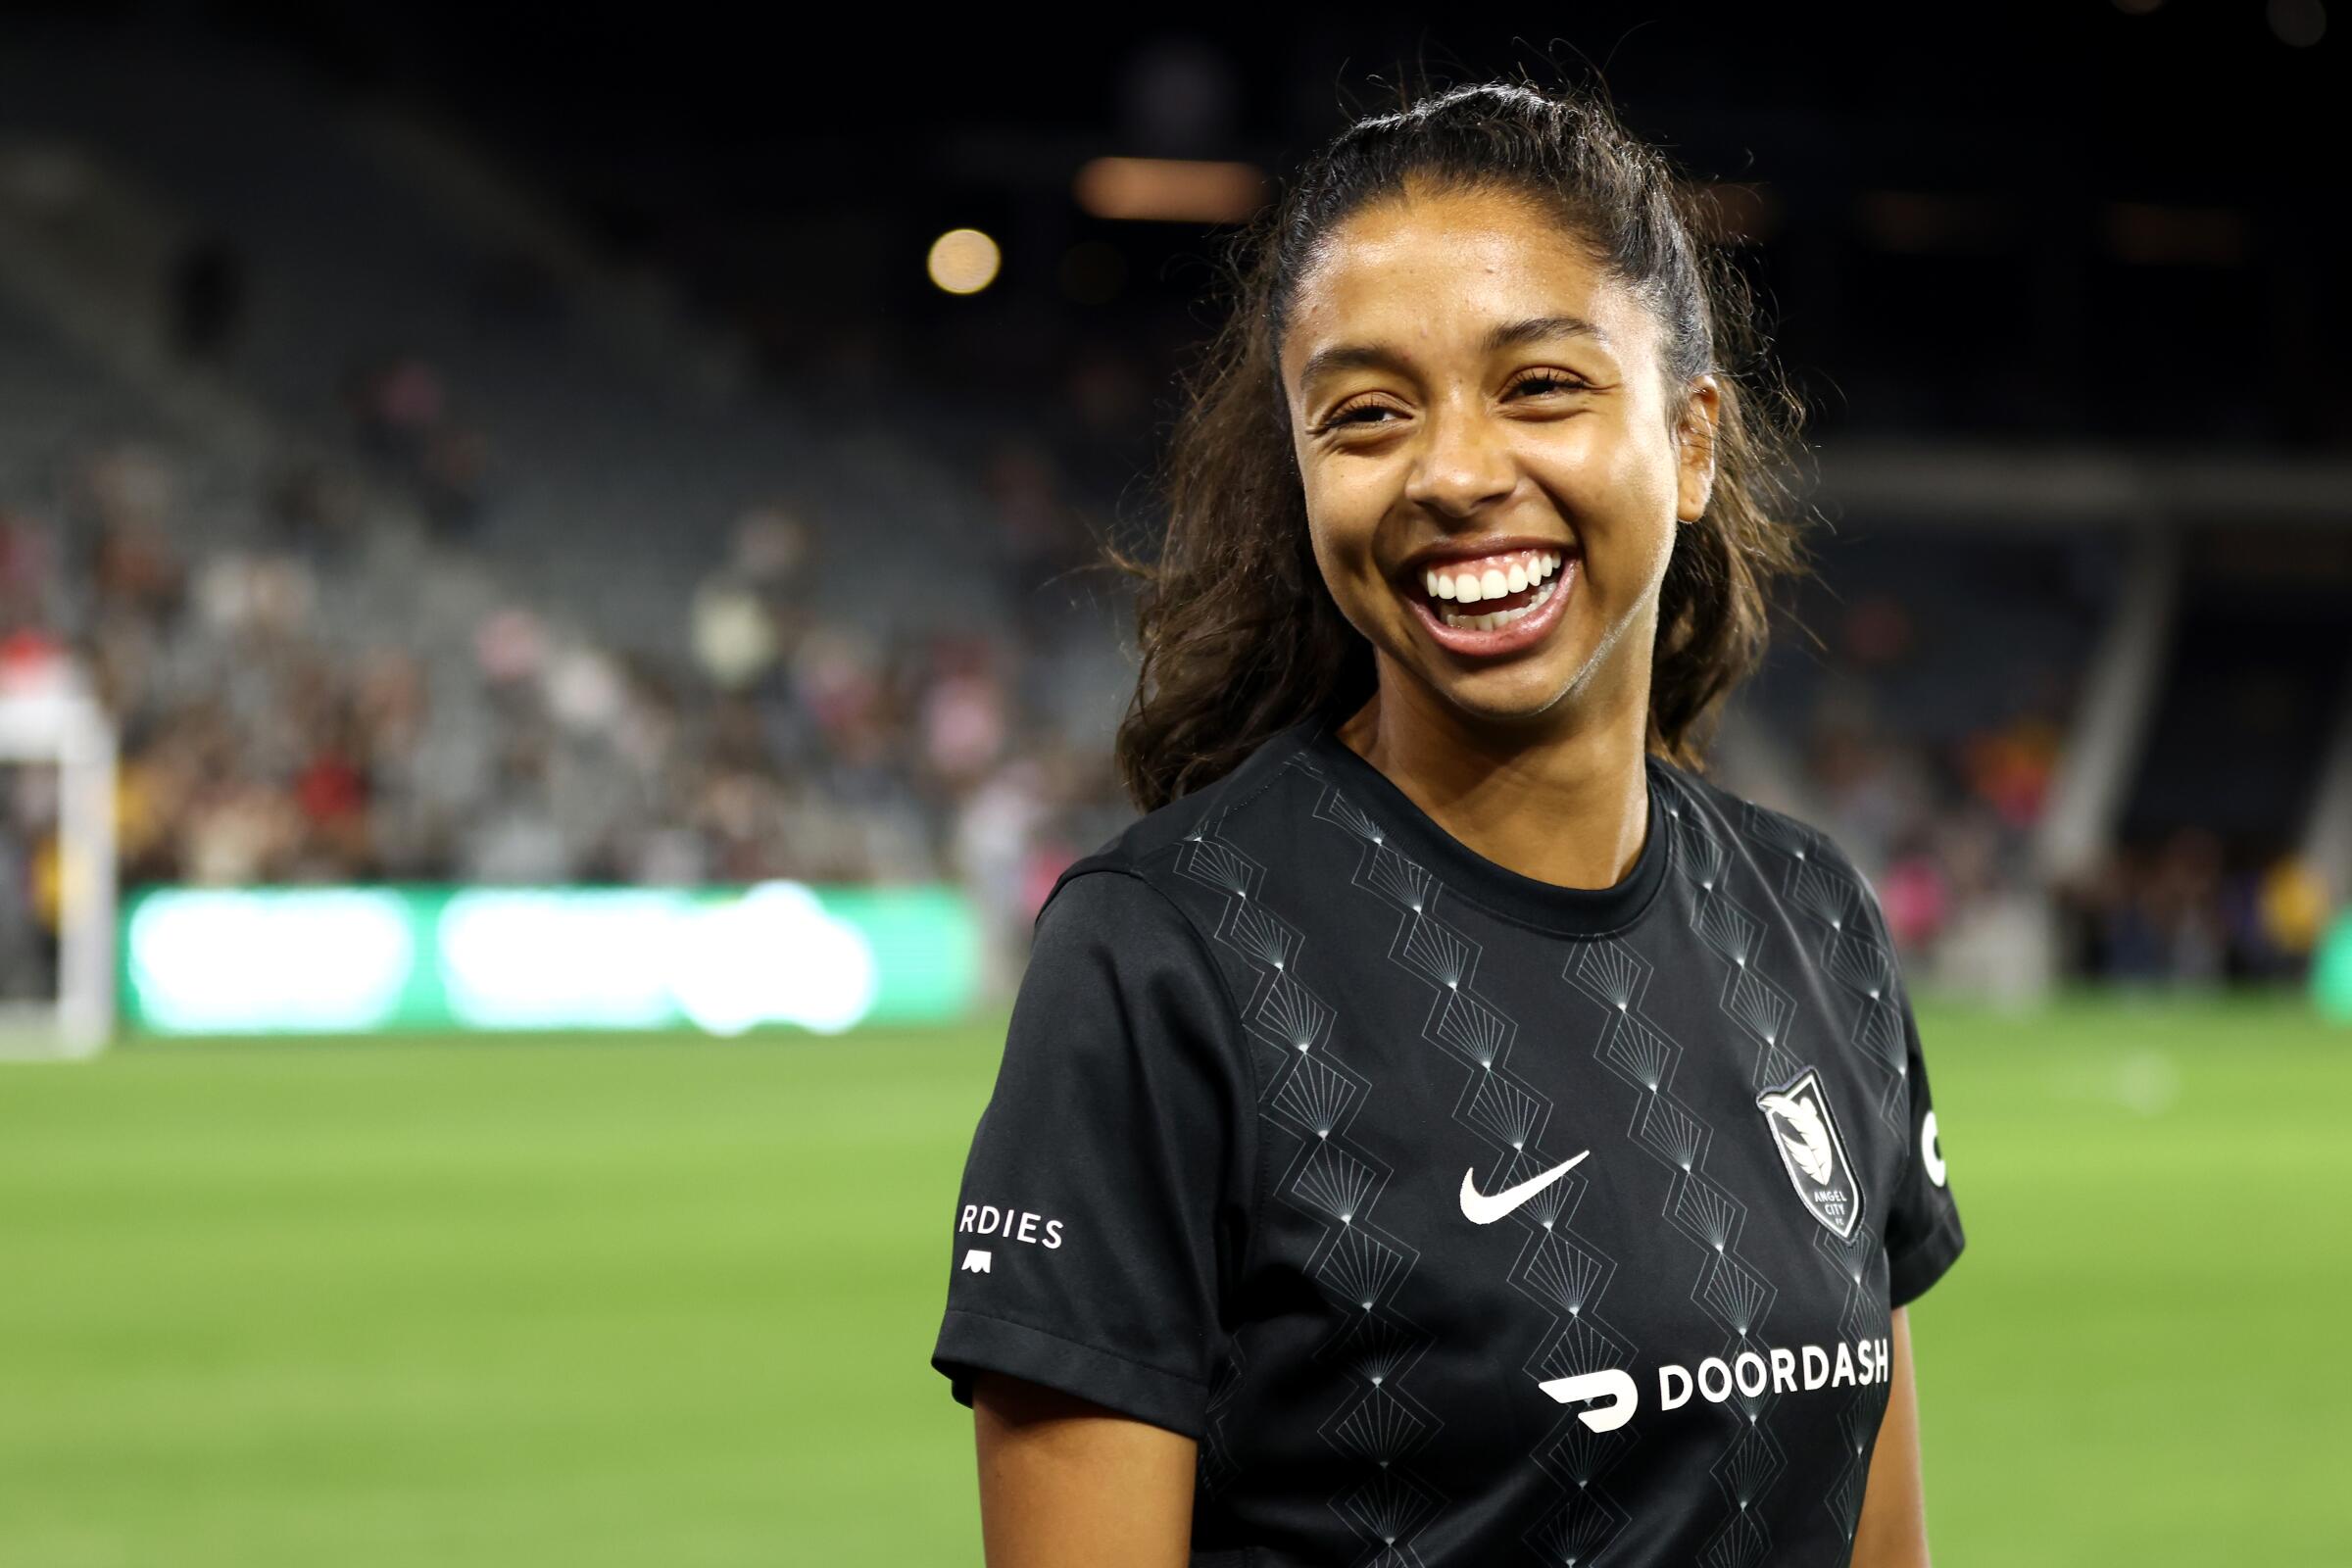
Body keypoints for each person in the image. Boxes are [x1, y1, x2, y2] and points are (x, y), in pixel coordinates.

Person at [931, 77, 1965, 1567]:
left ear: (1691, 442)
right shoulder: (1165, 962)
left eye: (1541, 385)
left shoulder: (1813, 924)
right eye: (1366, 415)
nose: (1458, 474)